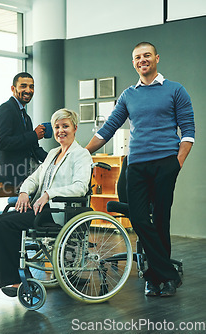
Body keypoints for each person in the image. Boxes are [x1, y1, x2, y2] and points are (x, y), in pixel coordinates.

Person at [85, 41, 195, 297]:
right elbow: (107, 129)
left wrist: (176, 164)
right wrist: (80, 152)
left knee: (161, 220)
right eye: (137, 57)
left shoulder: (175, 90)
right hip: (135, 165)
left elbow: (188, 131)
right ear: (133, 63)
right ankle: (167, 274)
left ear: (157, 58)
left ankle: (156, 279)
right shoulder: (128, 95)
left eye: (147, 55)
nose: (142, 60)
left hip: (165, 163)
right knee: (138, 218)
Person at [0, 109, 92, 297]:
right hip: (42, 208)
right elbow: (34, 178)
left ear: (75, 128)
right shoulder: (53, 153)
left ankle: (14, 279)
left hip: (59, 211)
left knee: (6, 223)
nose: (61, 130)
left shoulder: (81, 155)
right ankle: (1, 278)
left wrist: (48, 194)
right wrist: (23, 192)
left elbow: (80, 187)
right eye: (57, 127)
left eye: (65, 126)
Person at [0, 72, 48, 186]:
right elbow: (2, 143)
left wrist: (55, 159)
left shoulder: (25, 116)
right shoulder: (6, 110)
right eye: (23, 86)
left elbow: (34, 148)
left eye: (31, 87)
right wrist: (33, 135)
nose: (28, 90)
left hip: (24, 172)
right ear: (13, 88)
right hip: (10, 174)